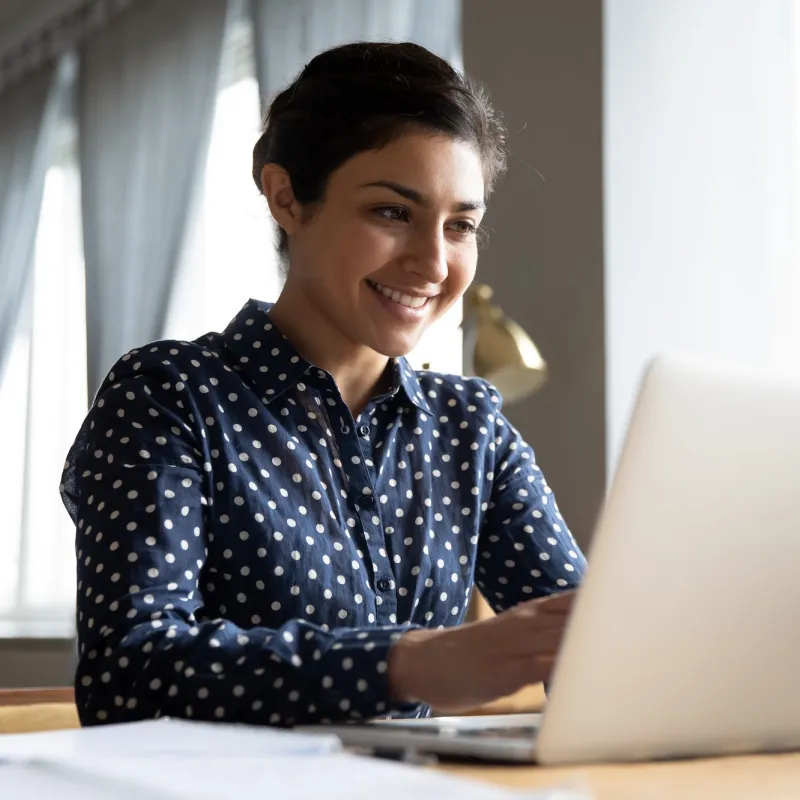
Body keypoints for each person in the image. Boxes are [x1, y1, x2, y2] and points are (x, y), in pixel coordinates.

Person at [60, 41, 586, 728]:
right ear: (287, 199)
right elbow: (125, 672)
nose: (433, 263)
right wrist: (409, 663)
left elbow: (586, 643)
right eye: (393, 212)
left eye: (460, 225)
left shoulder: (470, 427)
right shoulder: (169, 396)